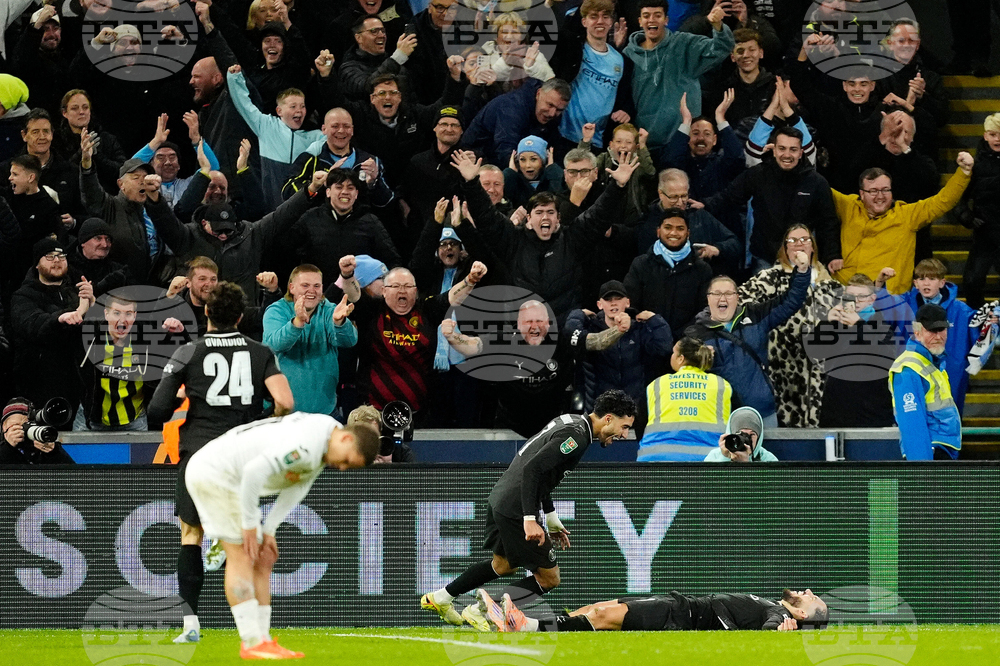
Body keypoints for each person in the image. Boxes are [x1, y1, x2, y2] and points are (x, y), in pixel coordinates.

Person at [147, 282, 295, 645]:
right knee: (240, 540)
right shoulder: (260, 352)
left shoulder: (188, 351)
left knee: (190, 536)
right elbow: (286, 403)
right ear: (242, 318)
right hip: (241, 456)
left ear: (207, 313)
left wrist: (185, 397)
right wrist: (258, 417)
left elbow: (156, 411)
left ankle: (190, 623)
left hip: (199, 453)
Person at [421, 389, 636, 631]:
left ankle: (441, 597)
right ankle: (480, 609)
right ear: (608, 418)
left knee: (503, 565)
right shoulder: (577, 438)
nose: (625, 434)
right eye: (624, 426)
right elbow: (532, 470)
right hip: (515, 507)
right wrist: (530, 518)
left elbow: (541, 473)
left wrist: (551, 516)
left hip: (501, 498)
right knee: (549, 578)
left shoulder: (572, 422)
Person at [183, 411, 378, 658]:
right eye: (347, 461)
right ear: (347, 440)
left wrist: (270, 529)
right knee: (242, 555)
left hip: (229, 478)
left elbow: (299, 485)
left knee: (263, 559)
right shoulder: (307, 444)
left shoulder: (326, 436)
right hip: (216, 474)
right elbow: (254, 473)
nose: (341, 468)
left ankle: (263, 639)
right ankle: (252, 642)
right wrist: (250, 523)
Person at [452, 148, 638, 324]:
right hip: (522, 329)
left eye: (550, 212)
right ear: (529, 219)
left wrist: (618, 186)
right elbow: (487, 217)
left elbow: (599, 215)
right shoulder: (513, 241)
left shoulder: (572, 239)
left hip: (564, 327)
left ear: (558, 219)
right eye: (539, 212)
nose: (545, 217)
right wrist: (471, 184)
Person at [145, 169, 328, 300]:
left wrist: (311, 188)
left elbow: (283, 215)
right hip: (199, 319)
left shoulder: (251, 233)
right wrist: (154, 197)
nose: (224, 235)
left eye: (228, 229)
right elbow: (165, 221)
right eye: (219, 230)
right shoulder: (188, 236)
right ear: (204, 223)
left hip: (244, 318)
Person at [685, 250, 810, 428]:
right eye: (717, 294)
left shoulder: (755, 315)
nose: (723, 298)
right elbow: (682, 370)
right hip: (718, 417)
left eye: (729, 293)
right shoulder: (695, 334)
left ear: (737, 297)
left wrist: (803, 271)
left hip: (762, 413)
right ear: (708, 299)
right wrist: (700, 359)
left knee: (765, 457)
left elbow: (791, 301)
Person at [737, 223, 840, 428]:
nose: (799, 244)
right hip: (782, 367)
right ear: (785, 247)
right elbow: (737, 303)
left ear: (813, 247)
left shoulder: (830, 284)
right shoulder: (770, 278)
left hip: (822, 372)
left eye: (805, 240)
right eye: (792, 241)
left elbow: (856, 315)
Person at [348, 263, 487, 415]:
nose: (402, 290)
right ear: (384, 291)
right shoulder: (372, 310)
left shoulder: (426, 309)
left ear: (415, 291)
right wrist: (346, 275)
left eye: (408, 286)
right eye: (395, 286)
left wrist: (471, 280)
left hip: (420, 412)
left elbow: (451, 296)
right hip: (373, 412)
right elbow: (355, 296)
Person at [705, 126, 841, 275]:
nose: (787, 155)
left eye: (793, 149)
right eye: (782, 148)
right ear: (774, 150)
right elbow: (728, 197)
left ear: (801, 153)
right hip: (765, 259)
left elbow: (829, 223)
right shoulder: (758, 174)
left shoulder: (817, 182)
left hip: (802, 260)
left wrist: (832, 256)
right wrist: (705, 205)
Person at [832, 155, 974, 294]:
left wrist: (963, 173)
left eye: (885, 190)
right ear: (862, 194)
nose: (880, 196)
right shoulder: (849, 206)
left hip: (889, 299)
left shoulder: (907, 215)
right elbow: (819, 187)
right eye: (873, 191)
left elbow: (942, 201)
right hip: (845, 293)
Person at [623, 0, 734, 166]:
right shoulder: (628, 54)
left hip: (683, 142)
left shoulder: (684, 44)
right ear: (640, 21)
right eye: (646, 16)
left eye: (657, 15)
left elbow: (722, 47)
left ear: (666, 20)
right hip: (645, 143)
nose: (651, 20)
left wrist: (717, 26)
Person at [566, 280, 673, 438]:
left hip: (636, 418)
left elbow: (664, 348)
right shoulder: (591, 328)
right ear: (599, 304)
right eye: (608, 300)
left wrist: (655, 320)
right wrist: (577, 315)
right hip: (601, 418)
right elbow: (570, 338)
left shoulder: (639, 329)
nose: (613, 303)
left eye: (618, 298)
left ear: (627, 302)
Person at [878, 259, 981, 416]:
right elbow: (880, 310)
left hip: (950, 372)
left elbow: (980, 331)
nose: (926, 283)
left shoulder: (961, 310)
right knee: (912, 417)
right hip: (911, 373)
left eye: (932, 279)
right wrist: (879, 284)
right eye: (922, 279)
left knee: (948, 420)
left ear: (942, 283)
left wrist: (992, 320)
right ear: (915, 283)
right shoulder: (902, 305)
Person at [490, 586, 827, 632]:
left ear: (800, 615)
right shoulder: (774, 604)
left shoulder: (781, 616)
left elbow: (771, 631)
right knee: (597, 607)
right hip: (681, 605)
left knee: (602, 617)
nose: (809, 592)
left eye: (813, 600)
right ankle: (526, 622)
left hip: (681, 616)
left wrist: (783, 631)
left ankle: (525, 626)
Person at [9, 238, 93, 414]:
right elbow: (33, 324)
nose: (57, 260)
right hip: (39, 386)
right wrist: (61, 317)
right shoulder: (23, 296)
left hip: (79, 387)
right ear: (36, 265)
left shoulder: (79, 292)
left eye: (61, 255)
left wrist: (93, 304)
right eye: (49, 256)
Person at [263, 262, 359, 416]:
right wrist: (297, 323)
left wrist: (339, 323)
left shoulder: (329, 310)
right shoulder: (276, 310)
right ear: (292, 287)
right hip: (281, 412)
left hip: (324, 411)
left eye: (316, 286)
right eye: (305, 285)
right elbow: (273, 345)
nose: (311, 291)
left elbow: (349, 341)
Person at [285, 168, 400, 287]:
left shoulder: (370, 222)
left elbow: (393, 261)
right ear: (328, 192)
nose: (345, 192)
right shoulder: (310, 218)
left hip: (359, 298)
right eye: (339, 187)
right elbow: (287, 254)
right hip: (318, 296)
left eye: (350, 188)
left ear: (356, 194)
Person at [815, 273, 900, 429]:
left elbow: (886, 357)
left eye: (861, 296)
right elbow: (817, 352)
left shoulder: (882, 325)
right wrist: (826, 323)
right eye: (851, 296)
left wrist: (859, 325)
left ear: (872, 299)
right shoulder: (837, 323)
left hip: (872, 415)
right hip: (835, 413)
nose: (856, 301)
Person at [552, 0, 634, 151]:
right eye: (594, 16)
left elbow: (625, 98)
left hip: (598, 143)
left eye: (605, 16)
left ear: (611, 21)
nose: (600, 21)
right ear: (584, 21)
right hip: (563, 137)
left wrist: (625, 111)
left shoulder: (623, 62)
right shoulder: (572, 50)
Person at [79, 132, 161, 284]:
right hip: (118, 292)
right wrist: (86, 163)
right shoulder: (110, 206)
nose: (142, 182)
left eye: (145, 178)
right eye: (136, 178)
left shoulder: (151, 210)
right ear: (120, 184)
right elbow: (91, 191)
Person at [624, 208, 714, 339]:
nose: (674, 232)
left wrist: (681, 339)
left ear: (688, 233)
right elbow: (630, 306)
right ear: (658, 231)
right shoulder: (641, 264)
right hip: (647, 341)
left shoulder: (702, 269)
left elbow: (704, 312)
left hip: (685, 344)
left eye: (680, 228)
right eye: (668, 227)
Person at [888, 303, 962, 461]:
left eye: (942, 329)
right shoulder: (908, 369)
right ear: (917, 331)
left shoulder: (933, 363)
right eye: (932, 330)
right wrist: (922, 470)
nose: (938, 336)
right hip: (930, 453)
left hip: (941, 450)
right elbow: (912, 426)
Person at [633, 168, 740, 276]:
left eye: (684, 196)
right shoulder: (648, 222)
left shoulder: (699, 215)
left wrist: (717, 249)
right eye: (674, 197)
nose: (680, 202)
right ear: (660, 194)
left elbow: (734, 243)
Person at [638, 336, 730, 461]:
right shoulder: (721, 385)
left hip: (657, 460)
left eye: (673, 353)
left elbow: (639, 420)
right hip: (708, 461)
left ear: (680, 359)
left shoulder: (657, 385)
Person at [462, 78, 572, 166]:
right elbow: (505, 151)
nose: (552, 113)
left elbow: (553, 147)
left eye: (559, 110)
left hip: (508, 155)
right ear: (538, 94)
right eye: (550, 105)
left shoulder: (550, 114)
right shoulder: (512, 108)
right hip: (476, 156)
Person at [662, 91, 744, 202]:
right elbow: (669, 162)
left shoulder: (722, 164)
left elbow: (737, 157)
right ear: (687, 139)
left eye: (707, 134)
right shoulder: (682, 164)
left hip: (718, 217)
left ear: (715, 140)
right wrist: (686, 122)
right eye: (695, 133)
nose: (701, 138)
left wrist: (720, 118)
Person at [131, 113, 222, 210]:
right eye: (161, 158)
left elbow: (213, 170)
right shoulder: (143, 186)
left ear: (178, 165)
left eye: (172, 157)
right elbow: (131, 168)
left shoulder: (189, 185)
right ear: (151, 165)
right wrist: (156, 141)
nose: (167, 162)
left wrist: (196, 138)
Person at [957, 114, 1000, 310]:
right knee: (972, 282)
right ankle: (980, 318)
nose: (997, 139)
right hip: (984, 232)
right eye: (993, 134)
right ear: (985, 136)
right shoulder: (975, 165)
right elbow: (958, 197)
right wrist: (967, 216)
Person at [66, 218, 131, 298]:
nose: (105, 245)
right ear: (83, 242)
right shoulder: (68, 270)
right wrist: (99, 289)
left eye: (108, 239)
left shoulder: (119, 271)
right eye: (98, 238)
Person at [0, 397, 75, 465]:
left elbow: (74, 475)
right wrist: (8, 448)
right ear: (4, 426)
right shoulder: (3, 449)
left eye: (27, 425)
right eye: (15, 425)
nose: (22, 429)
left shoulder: (42, 441)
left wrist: (53, 453)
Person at [502, 136, 564, 209]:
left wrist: (552, 170)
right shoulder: (512, 180)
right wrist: (510, 173)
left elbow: (559, 203)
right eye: (522, 159)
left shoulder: (552, 178)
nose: (528, 165)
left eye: (533, 159)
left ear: (544, 160)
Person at [704, 404, 776, 462]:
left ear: (759, 437)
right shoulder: (714, 456)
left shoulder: (768, 459)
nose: (745, 439)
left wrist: (746, 464)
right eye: (741, 434)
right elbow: (711, 480)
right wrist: (725, 458)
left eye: (752, 435)